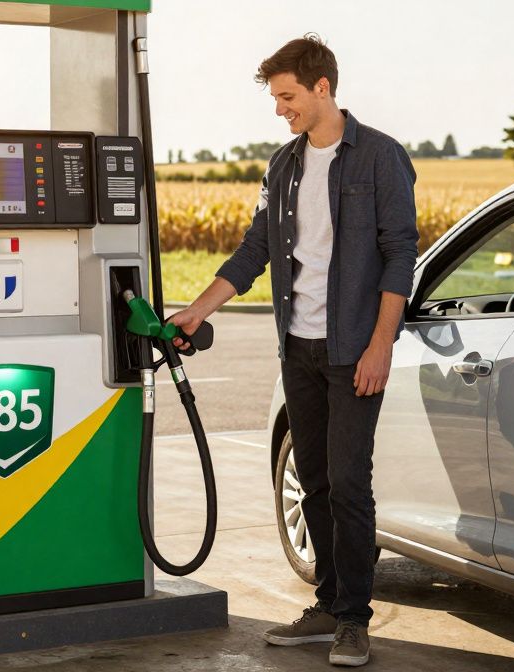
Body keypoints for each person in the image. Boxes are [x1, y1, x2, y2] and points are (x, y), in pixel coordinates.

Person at [168, 34, 418, 667]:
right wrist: (198, 310)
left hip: (353, 349)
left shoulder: (381, 159)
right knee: (314, 485)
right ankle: (328, 603)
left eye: (288, 97)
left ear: (322, 88)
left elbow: (399, 258)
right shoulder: (283, 168)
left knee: (349, 484)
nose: (281, 109)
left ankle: (356, 619)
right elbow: (256, 250)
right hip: (297, 348)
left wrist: (380, 346)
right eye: (276, 99)